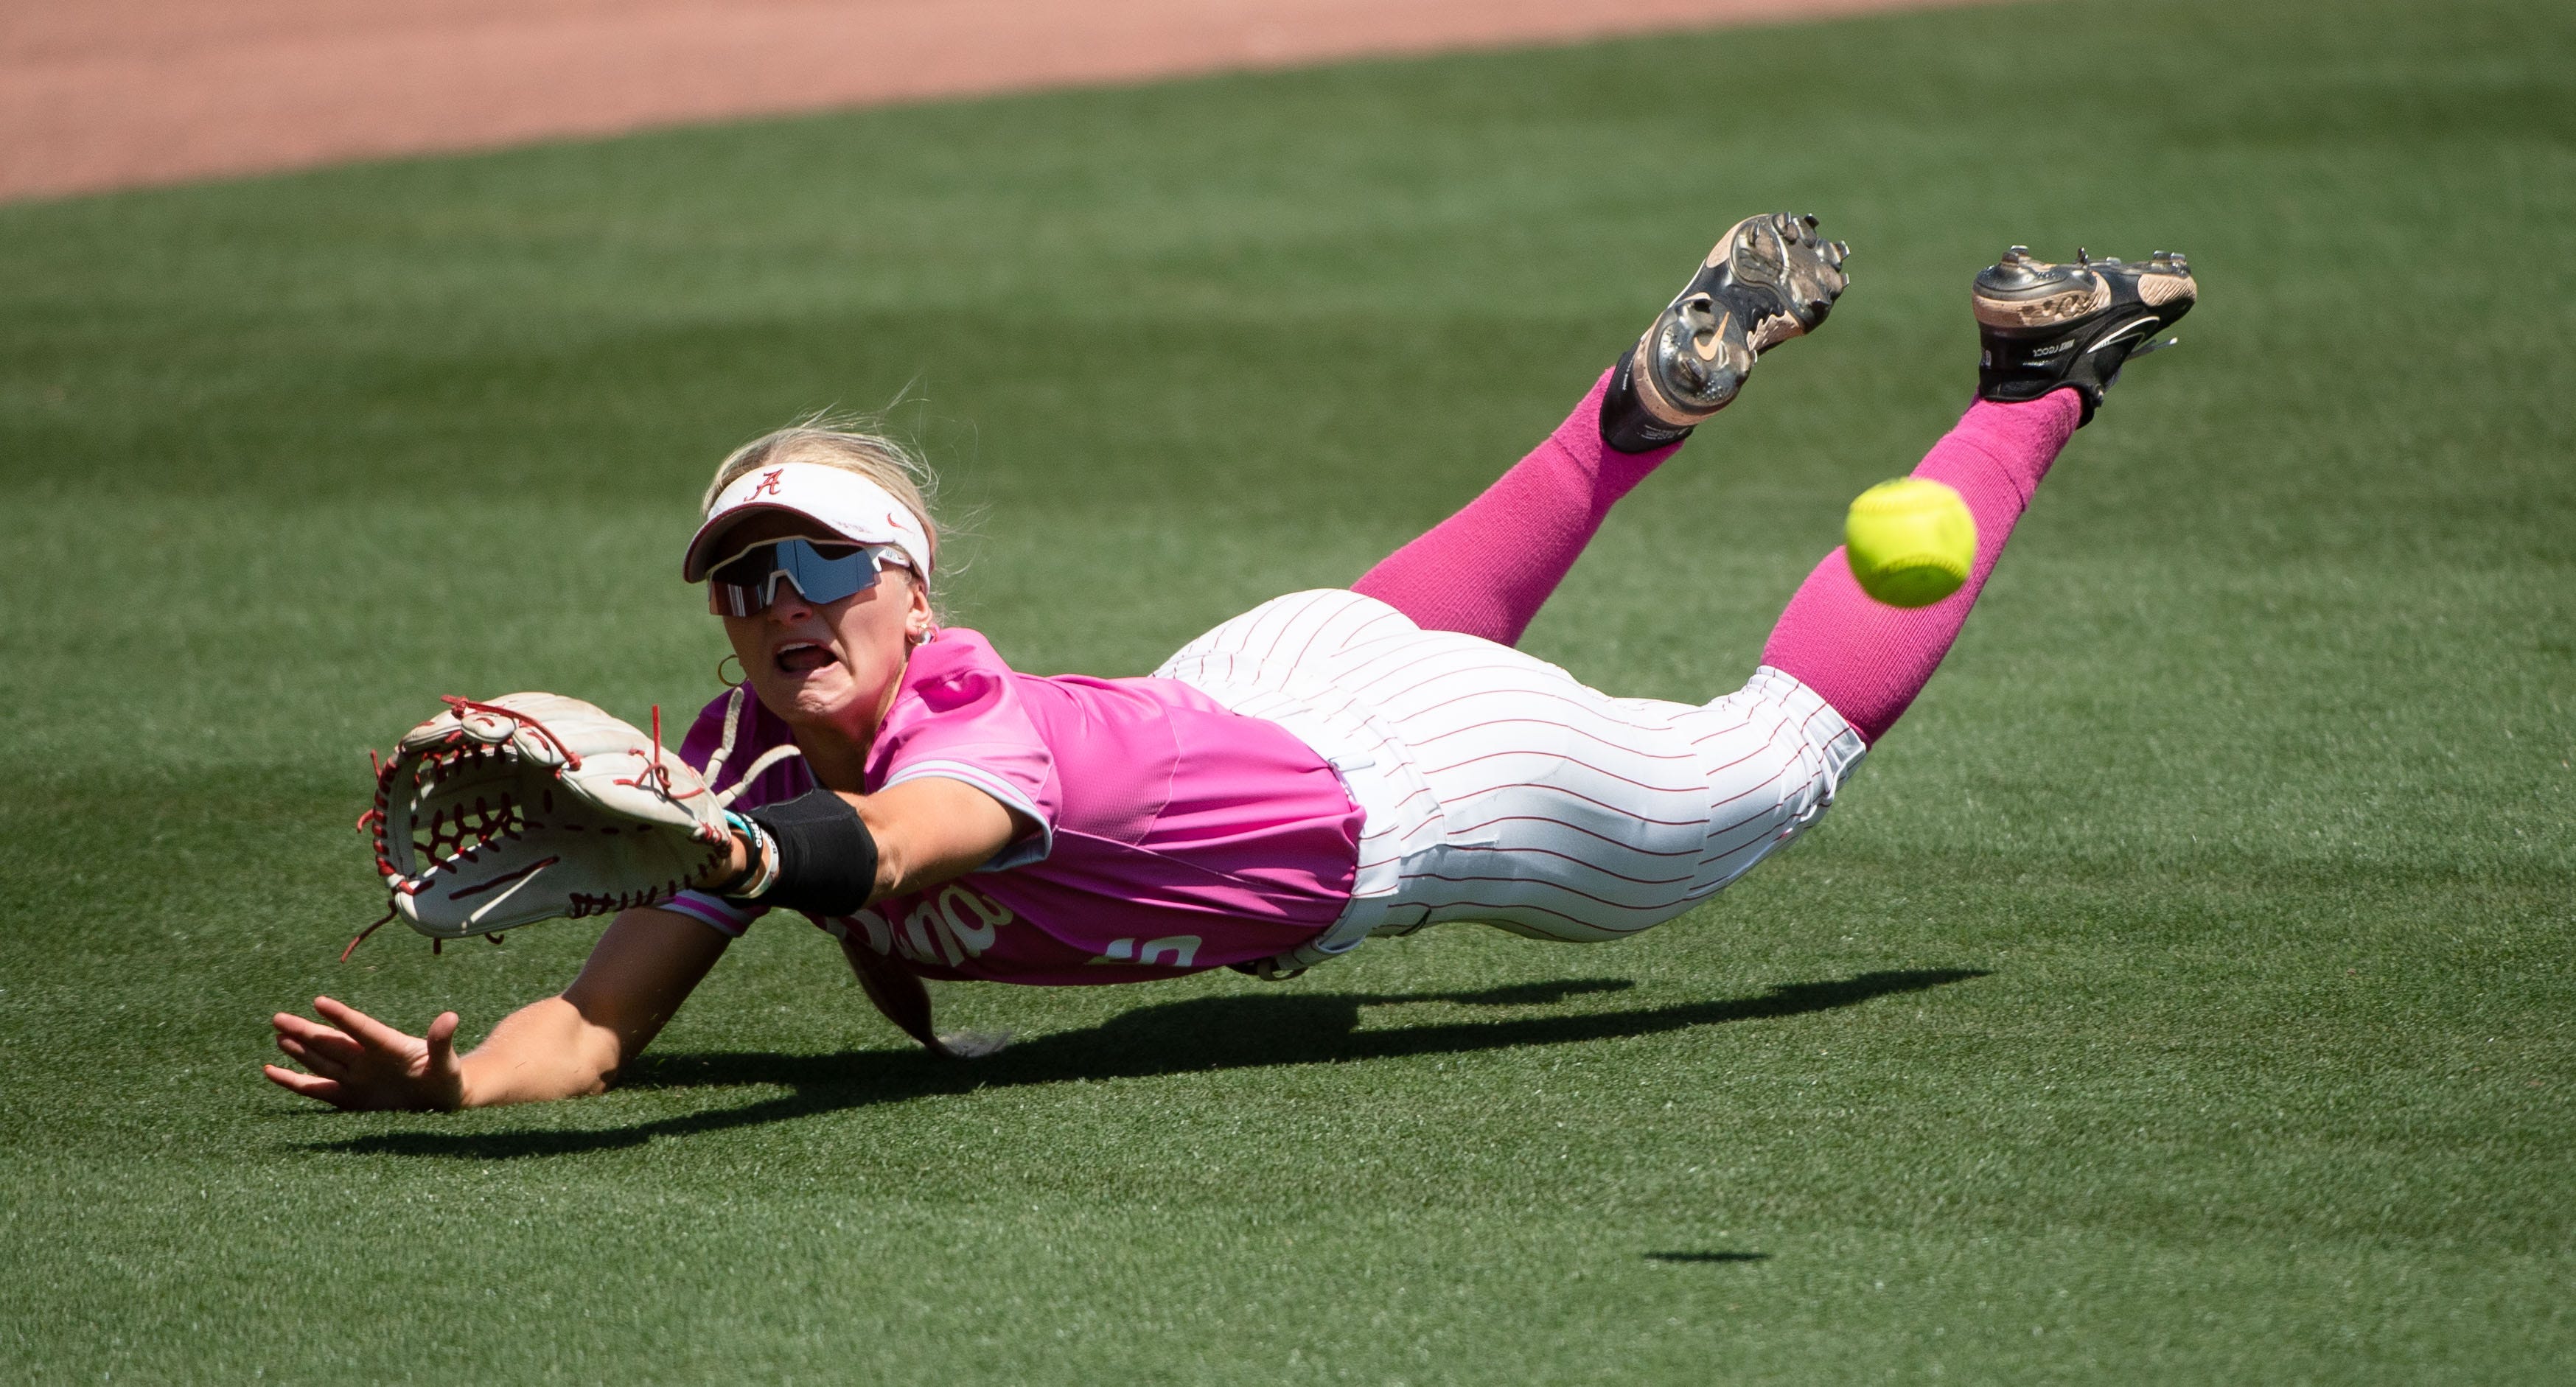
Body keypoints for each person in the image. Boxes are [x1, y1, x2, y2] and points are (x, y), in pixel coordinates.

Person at [265, 215, 2193, 1111]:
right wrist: (459, 1087)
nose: (779, 596)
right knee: (1382, 628)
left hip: (1425, 797)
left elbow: (905, 849)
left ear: (910, 590)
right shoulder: (733, 763)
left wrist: (738, 858)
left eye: (821, 560)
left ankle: (2029, 380)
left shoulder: (955, 739)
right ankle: (1631, 414)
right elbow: (591, 1036)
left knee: (1765, 772)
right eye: (741, 574)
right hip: (1267, 674)